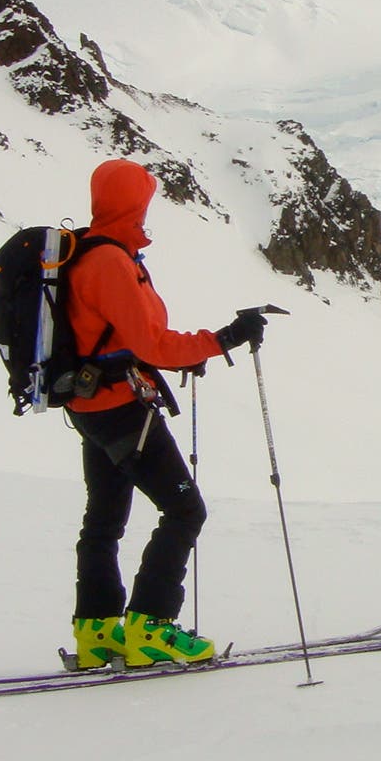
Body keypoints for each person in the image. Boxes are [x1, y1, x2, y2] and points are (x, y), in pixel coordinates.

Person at [63, 158, 266, 669]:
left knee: (105, 518)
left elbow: (117, 338)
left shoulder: (86, 251)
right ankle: (150, 627)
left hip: (90, 406)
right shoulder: (109, 261)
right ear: (132, 203)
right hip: (122, 409)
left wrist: (189, 353)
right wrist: (222, 341)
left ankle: (96, 631)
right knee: (185, 510)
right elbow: (150, 344)